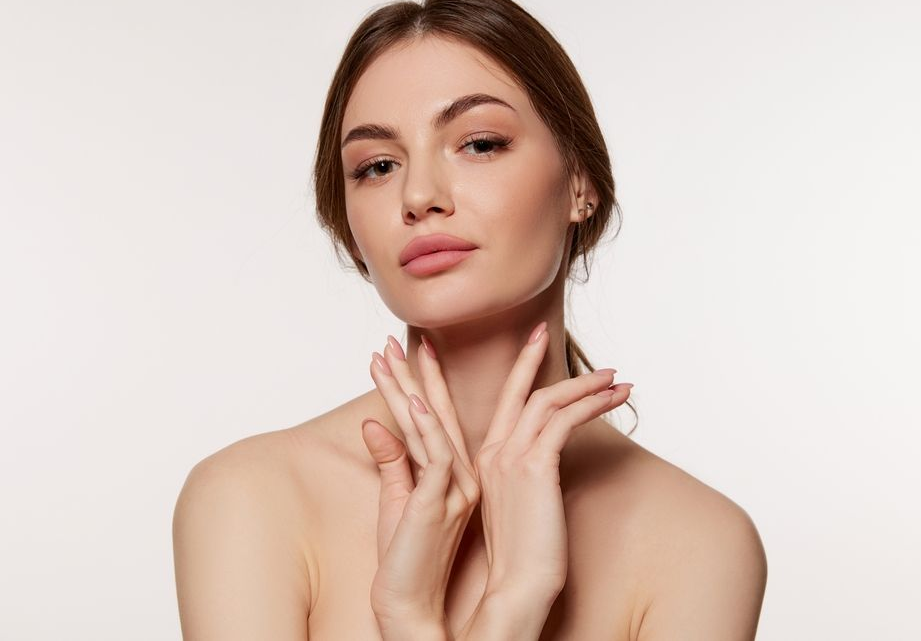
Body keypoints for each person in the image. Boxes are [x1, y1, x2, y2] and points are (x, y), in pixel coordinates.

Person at [172, 0, 768, 638]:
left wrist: (514, 599)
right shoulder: (248, 501)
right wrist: (412, 613)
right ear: (348, 227)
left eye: (479, 144)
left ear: (580, 183)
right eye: (377, 166)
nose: (420, 196)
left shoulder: (699, 544)